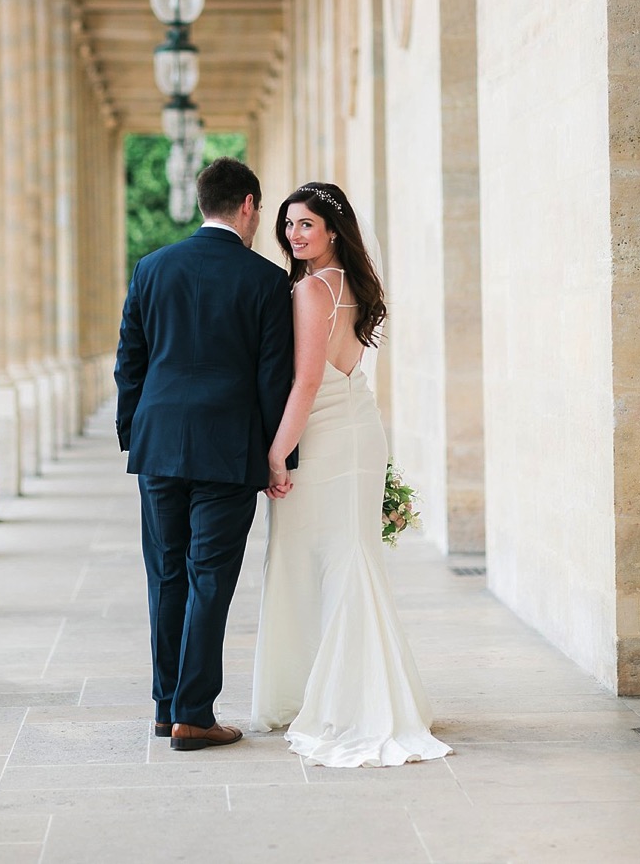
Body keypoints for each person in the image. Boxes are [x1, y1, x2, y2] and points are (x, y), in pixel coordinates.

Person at [248, 181, 451, 767]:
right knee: (349, 556)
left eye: (306, 224)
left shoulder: (312, 291)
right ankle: (356, 690)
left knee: (315, 561)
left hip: (326, 436)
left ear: (333, 229)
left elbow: (306, 382)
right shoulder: (356, 288)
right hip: (359, 428)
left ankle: (345, 700)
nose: (294, 234)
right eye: (287, 225)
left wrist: (277, 454)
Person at [115, 157, 296, 752]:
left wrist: (132, 434)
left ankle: (168, 707)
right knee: (209, 578)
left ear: (202, 203)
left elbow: (130, 364)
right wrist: (279, 459)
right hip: (227, 449)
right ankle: (194, 712)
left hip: (160, 445)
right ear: (247, 205)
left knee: (165, 575)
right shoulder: (268, 282)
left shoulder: (151, 268)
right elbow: (275, 379)